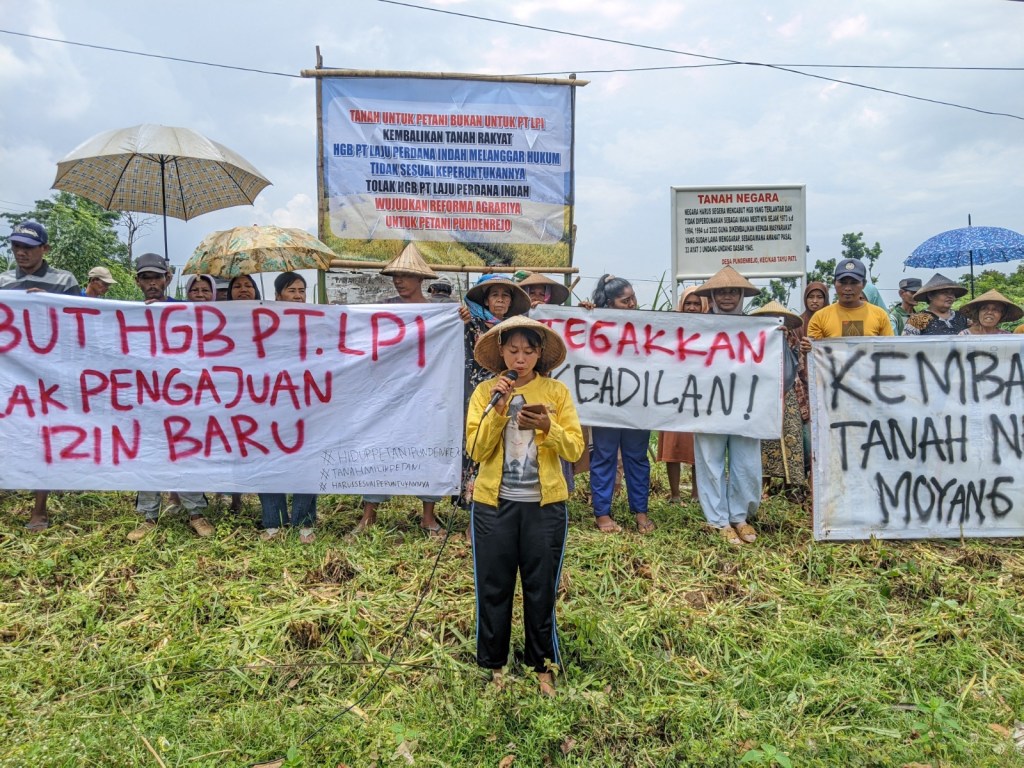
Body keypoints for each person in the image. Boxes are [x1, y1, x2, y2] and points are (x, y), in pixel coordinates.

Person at [466, 316, 583, 697]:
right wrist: (498, 412)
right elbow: (475, 450)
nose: (520, 359)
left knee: (541, 588)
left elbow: (575, 449)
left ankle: (542, 666)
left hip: (544, 506)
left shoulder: (556, 393)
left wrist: (549, 429)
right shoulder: (486, 392)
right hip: (492, 505)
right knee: (493, 586)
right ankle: (493, 665)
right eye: (513, 351)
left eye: (528, 351)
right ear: (500, 352)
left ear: (540, 354)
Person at [354, 246, 446, 536]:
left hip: (427, 392)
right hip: (388, 393)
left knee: (429, 447)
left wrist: (462, 319)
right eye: (396, 275)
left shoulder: (441, 312)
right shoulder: (382, 309)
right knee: (378, 448)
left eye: (405, 275)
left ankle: (428, 516)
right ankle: (369, 515)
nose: (399, 280)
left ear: (419, 278)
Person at [128, 253, 214, 541]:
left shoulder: (185, 309)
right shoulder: (125, 312)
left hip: (183, 397)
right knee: (148, 454)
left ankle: (196, 513)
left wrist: (166, 311)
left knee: (186, 452)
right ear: (137, 280)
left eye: (157, 277)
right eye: (146, 277)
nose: (152, 283)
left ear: (168, 278)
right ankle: (149, 517)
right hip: (146, 398)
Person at [0, 221, 80, 531]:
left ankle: (39, 509)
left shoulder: (64, 281)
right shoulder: (4, 283)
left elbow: (81, 321)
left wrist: (49, 302)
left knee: (46, 435)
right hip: (10, 373)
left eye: (28, 248)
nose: (21, 253)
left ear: (45, 249)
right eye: (17, 247)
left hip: (51, 371)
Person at [692, 266, 764, 546]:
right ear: (712, 295)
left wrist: (776, 338)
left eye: (733, 291)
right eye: (721, 291)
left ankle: (739, 516)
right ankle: (717, 519)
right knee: (709, 461)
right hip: (708, 403)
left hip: (746, 406)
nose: (727, 297)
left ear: (742, 295)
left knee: (746, 463)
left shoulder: (758, 328)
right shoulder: (697, 328)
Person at [585, 274, 654, 534]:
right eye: (626, 301)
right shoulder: (595, 323)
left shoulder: (643, 324)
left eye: (633, 298)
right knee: (604, 456)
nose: (633, 304)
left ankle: (641, 512)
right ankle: (602, 514)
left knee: (637, 458)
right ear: (609, 303)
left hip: (637, 403)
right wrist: (585, 314)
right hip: (606, 404)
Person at [457, 275, 532, 506]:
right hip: (480, 396)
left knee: (504, 449)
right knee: (477, 448)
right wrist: (460, 320)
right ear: (486, 301)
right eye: (495, 295)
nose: (500, 300)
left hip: (513, 396)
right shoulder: (472, 324)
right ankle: (473, 510)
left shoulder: (518, 327)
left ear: (510, 302)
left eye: (505, 295)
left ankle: (501, 505)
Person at [259, 272, 318, 544]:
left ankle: (304, 522)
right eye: (291, 290)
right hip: (268, 403)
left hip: (307, 403)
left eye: (301, 290)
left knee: (306, 461)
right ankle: (273, 522)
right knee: (270, 459)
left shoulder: (318, 321)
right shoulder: (260, 321)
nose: (298, 295)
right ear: (278, 294)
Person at [657, 286, 707, 505]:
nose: (692, 307)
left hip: (702, 395)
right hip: (673, 394)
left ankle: (697, 494)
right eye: (688, 303)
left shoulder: (712, 329)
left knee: (698, 445)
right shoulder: (671, 328)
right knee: (673, 444)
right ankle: (675, 494)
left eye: (697, 303)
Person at [751, 301, 807, 492]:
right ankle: (764, 486)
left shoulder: (792, 340)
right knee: (765, 440)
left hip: (789, 392)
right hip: (763, 393)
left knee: (792, 435)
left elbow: (800, 366)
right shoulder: (756, 340)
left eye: (778, 319)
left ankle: (791, 487)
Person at [804, 259, 895, 344]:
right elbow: (816, 353)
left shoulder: (880, 315)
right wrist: (807, 350)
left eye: (854, 283)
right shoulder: (819, 318)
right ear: (834, 283)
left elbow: (889, 350)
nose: (847, 288)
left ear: (863, 284)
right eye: (843, 282)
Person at [902, 273, 968, 335]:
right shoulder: (918, 319)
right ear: (930, 296)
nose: (950, 296)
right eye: (945, 292)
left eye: (952, 293)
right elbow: (907, 345)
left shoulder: (961, 317)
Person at [957, 289, 1023, 335]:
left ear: (1002, 314)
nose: (989, 312)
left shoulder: (1006, 336)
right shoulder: (964, 335)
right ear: (978, 312)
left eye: (995, 309)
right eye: (984, 308)